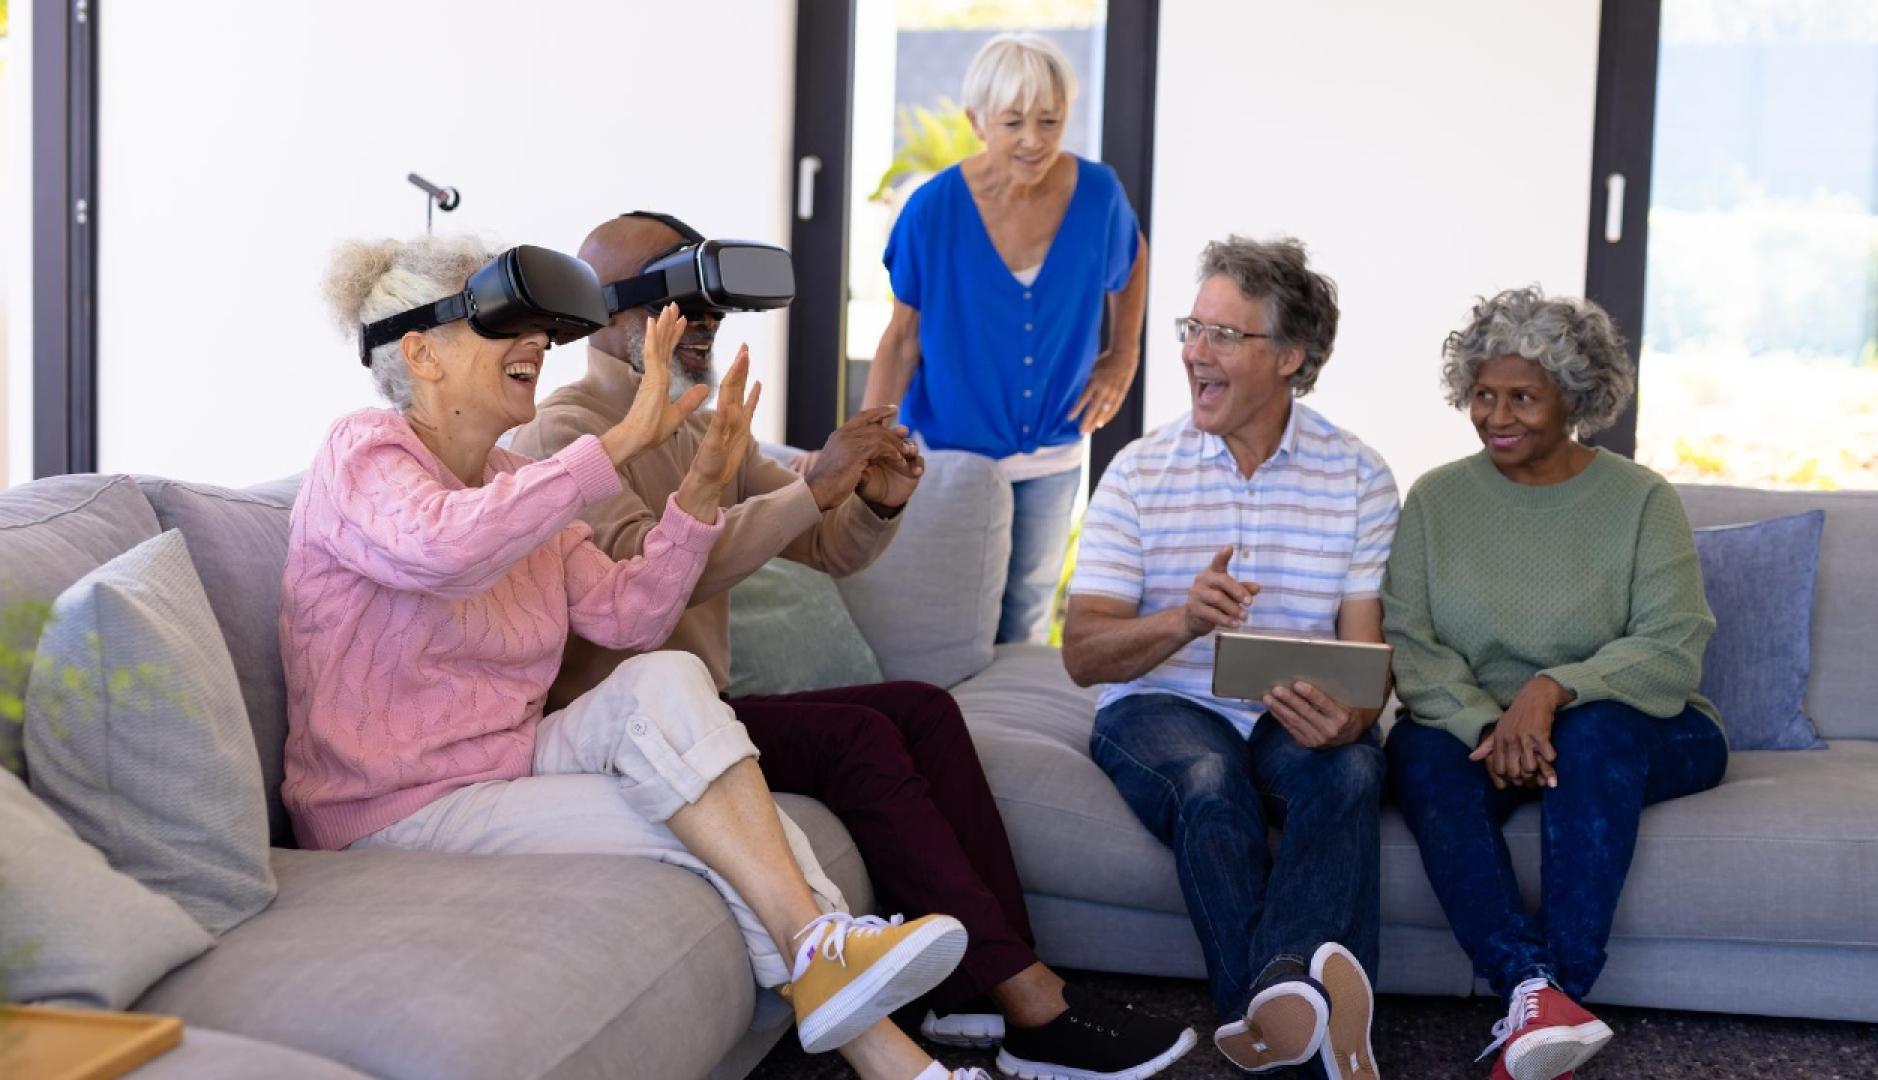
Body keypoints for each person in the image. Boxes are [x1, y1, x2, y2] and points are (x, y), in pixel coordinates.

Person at [509, 212, 1196, 1080]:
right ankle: (1034, 1005)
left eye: (717, 311)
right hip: (631, 732)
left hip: (702, 709)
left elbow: (824, 545)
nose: (711, 327)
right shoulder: (569, 436)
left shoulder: (695, 423)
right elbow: (653, 578)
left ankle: (985, 992)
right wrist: (813, 487)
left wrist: (873, 498)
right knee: (857, 738)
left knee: (922, 708)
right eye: (690, 306)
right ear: (616, 314)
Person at [282, 235, 984, 1080]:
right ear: (421, 353)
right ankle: (881, 1037)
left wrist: (701, 487)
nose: (537, 341)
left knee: (667, 677)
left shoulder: (512, 478)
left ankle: (831, 962)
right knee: (715, 831)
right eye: (504, 321)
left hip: (503, 765)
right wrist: (617, 446)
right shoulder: (362, 453)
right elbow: (442, 549)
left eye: (540, 325)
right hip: (393, 806)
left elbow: (630, 616)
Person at [1062, 237, 1398, 1079]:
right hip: (1159, 706)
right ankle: (1299, 1015)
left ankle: (1276, 1009)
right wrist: (1181, 619)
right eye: (1192, 327)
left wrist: (1349, 717)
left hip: (1292, 705)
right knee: (1210, 787)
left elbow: (1366, 655)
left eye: (1222, 335)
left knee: (1351, 771)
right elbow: (1083, 655)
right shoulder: (1138, 473)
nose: (1191, 353)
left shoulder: (1358, 475)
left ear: (1289, 357)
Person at [1383, 287, 1727, 1080]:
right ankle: (1534, 996)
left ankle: (1560, 983)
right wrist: (1487, 725)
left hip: (1638, 727)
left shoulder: (1641, 500)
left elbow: (1674, 649)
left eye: (1522, 398)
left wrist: (1550, 692)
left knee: (1594, 733)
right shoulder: (1436, 500)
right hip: (1487, 733)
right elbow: (1413, 644)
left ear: (1574, 399)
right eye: (1483, 394)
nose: (1495, 415)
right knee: (1421, 757)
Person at [858, 31, 1148, 644]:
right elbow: (901, 339)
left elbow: (1133, 254)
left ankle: (1007, 738)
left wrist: (1123, 355)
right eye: (1014, 121)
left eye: (1051, 119)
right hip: (950, 453)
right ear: (977, 120)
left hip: (1051, 451)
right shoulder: (931, 210)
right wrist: (868, 440)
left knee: (1026, 619)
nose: (1034, 139)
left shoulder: (1098, 195)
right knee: (946, 623)